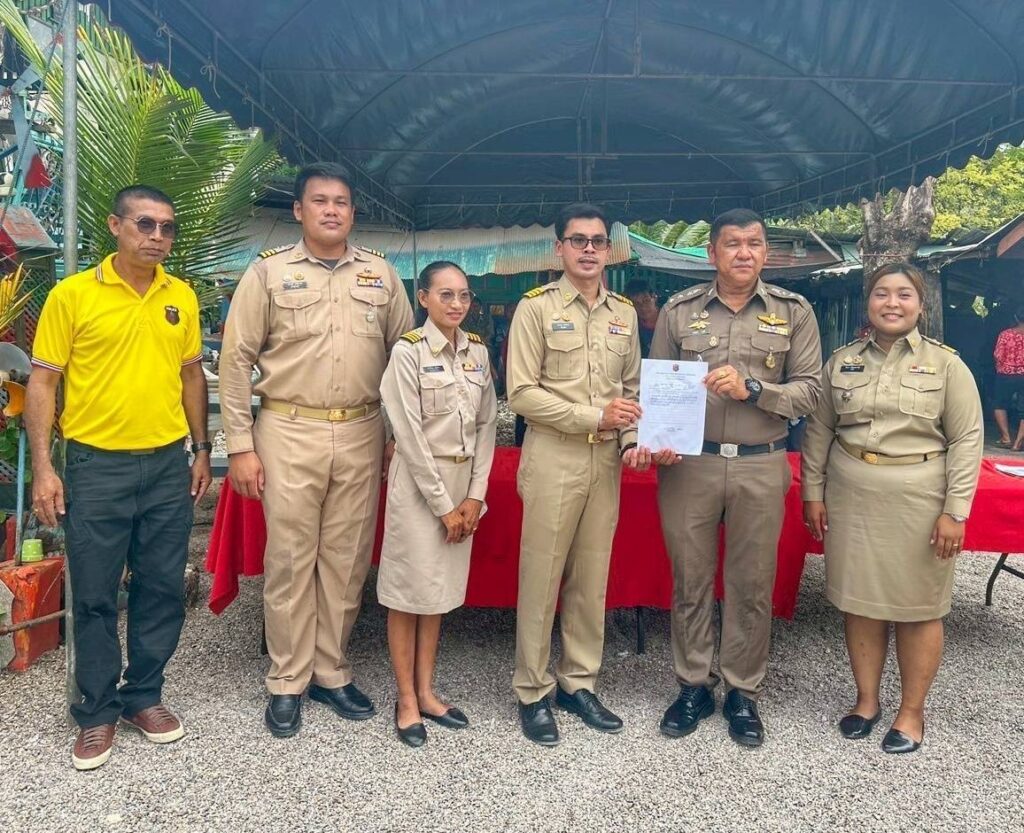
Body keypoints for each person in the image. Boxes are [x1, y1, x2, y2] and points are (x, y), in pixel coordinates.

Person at [219, 162, 414, 738]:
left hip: (361, 429)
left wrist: (398, 437)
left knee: (347, 560)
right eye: (320, 201)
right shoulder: (268, 274)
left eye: (342, 202)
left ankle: (331, 669)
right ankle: (287, 679)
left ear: (353, 212)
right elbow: (236, 360)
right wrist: (240, 445)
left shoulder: (381, 275)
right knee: (289, 559)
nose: (332, 210)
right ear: (299, 210)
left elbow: (405, 357)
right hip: (289, 428)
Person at [26, 184, 212, 771]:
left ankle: (144, 697)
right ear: (115, 225)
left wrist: (202, 449)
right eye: (144, 224)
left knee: (161, 586)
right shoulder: (73, 294)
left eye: (166, 228)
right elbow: (43, 383)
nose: (157, 236)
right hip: (96, 464)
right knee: (96, 592)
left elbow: (191, 376)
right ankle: (97, 711)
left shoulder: (180, 296)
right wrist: (44, 468)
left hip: (166, 464)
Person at [650, 208, 822, 748]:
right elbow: (656, 388)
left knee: (751, 583)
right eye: (732, 243)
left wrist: (754, 389)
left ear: (766, 252)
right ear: (712, 253)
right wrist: (657, 438)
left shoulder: (794, 312)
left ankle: (743, 691)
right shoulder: (679, 311)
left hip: (760, 461)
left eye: (753, 243)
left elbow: (811, 391)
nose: (743, 252)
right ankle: (693, 685)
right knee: (691, 580)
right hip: (691, 464)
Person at [802, 262, 983, 754]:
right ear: (869, 302)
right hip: (852, 497)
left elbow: (967, 440)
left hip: (919, 500)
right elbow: (819, 430)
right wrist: (812, 492)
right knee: (859, 601)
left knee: (918, 607)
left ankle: (911, 712)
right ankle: (866, 702)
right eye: (882, 293)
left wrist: (956, 511)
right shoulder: (842, 362)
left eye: (904, 294)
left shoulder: (948, 366)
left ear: (921, 306)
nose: (892, 303)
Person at [507, 202, 670, 746]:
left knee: (590, 577)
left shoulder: (623, 312)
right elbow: (521, 393)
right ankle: (533, 689)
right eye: (577, 240)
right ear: (559, 248)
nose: (588, 249)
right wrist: (594, 416)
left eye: (598, 241)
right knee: (541, 577)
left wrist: (631, 440)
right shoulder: (535, 308)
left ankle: (578, 682)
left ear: (609, 250)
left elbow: (632, 389)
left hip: (606, 461)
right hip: (554, 453)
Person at [377, 261, 497, 748]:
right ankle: (406, 698)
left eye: (464, 295)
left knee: (438, 594)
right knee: (408, 593)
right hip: (419, 485)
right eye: (445, 294)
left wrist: (475, 497)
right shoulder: (407, 352)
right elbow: (407, 435)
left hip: (462, 483)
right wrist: (445, 506)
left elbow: (487, 425)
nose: (456, 304)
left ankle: (427, 691)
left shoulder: (477, 353)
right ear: (423, 298)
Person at [992, 306, 1024, 450]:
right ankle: (1018, 443)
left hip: (1005, 374)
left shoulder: (1006, 334)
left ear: (1016, 318)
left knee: (1000, 404)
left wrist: (1002, 366)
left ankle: (1006, 438)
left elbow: (997, 355)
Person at [625, 279, 659, 358]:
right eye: (636, 303)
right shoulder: (630, 325)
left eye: (646, 301)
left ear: (654, 297)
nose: (642, 307)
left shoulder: (668, 319)